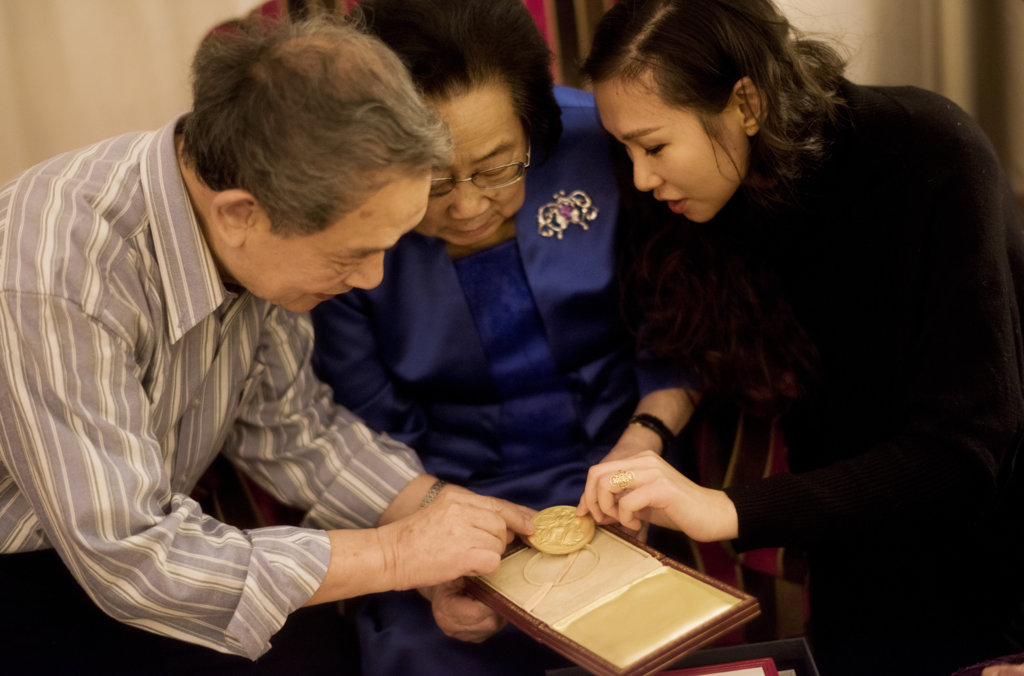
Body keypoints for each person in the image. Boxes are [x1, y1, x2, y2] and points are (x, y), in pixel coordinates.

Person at [0, 16, 536, 674]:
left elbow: (290, 427)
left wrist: (440, 515)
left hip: (154, 540)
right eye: (354, 253)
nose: (370, 280)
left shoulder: (258, 213)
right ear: (240, 214)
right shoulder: (53, 274)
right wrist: (398, 556)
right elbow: (131, 559)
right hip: (35, 572)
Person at [574, 1, 1024, 675]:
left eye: (655, 146)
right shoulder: (699, 194)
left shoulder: (928, 154)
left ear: (746, 103)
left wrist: (723, 509)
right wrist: (647, 438)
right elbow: (681, 339)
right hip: (850, 545)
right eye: (626, 149)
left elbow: (964, 450)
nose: (639, 177)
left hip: (993, 545)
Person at [306, 0, 690, 673]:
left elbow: (682, 325)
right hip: (436, 502)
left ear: (534, 126)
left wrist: (646, 443)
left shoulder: (600, 142)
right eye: (431, 181)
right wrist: (425, 554)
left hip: (621, 475)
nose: (467, 206)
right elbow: (355, 420)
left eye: (495, 167)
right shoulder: (342, 213)